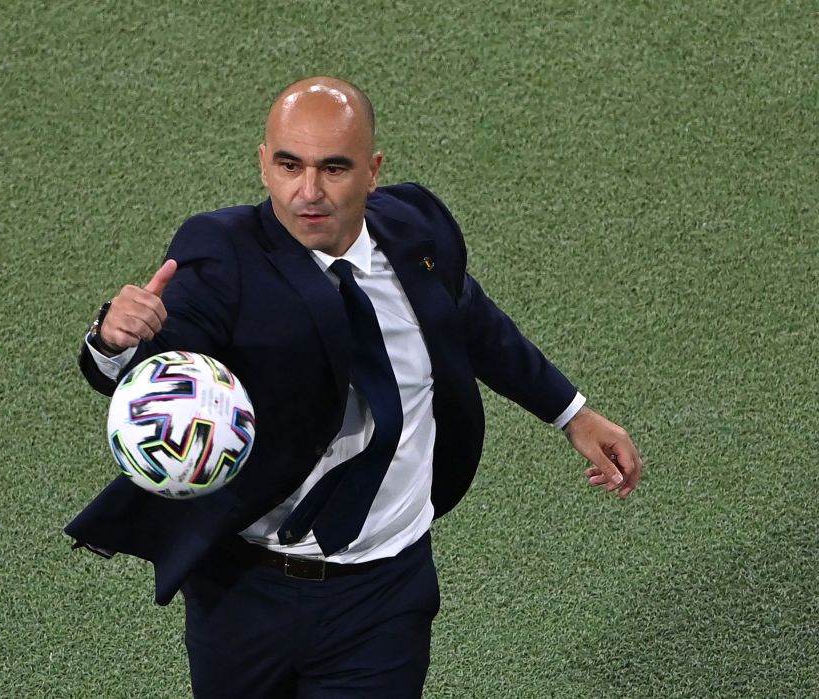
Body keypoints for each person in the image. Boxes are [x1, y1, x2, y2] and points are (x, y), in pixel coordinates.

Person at [66, 76, 642, 698]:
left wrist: (572, 414)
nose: (307, 192)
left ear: (372, 170)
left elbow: (469, 320)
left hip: (383, 592)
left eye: (333, 168)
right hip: (243, 592)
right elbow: (162, 359)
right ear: (263, 164)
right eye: (289, 164)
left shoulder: (418, 230)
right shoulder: (223, 256)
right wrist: (115, 342)